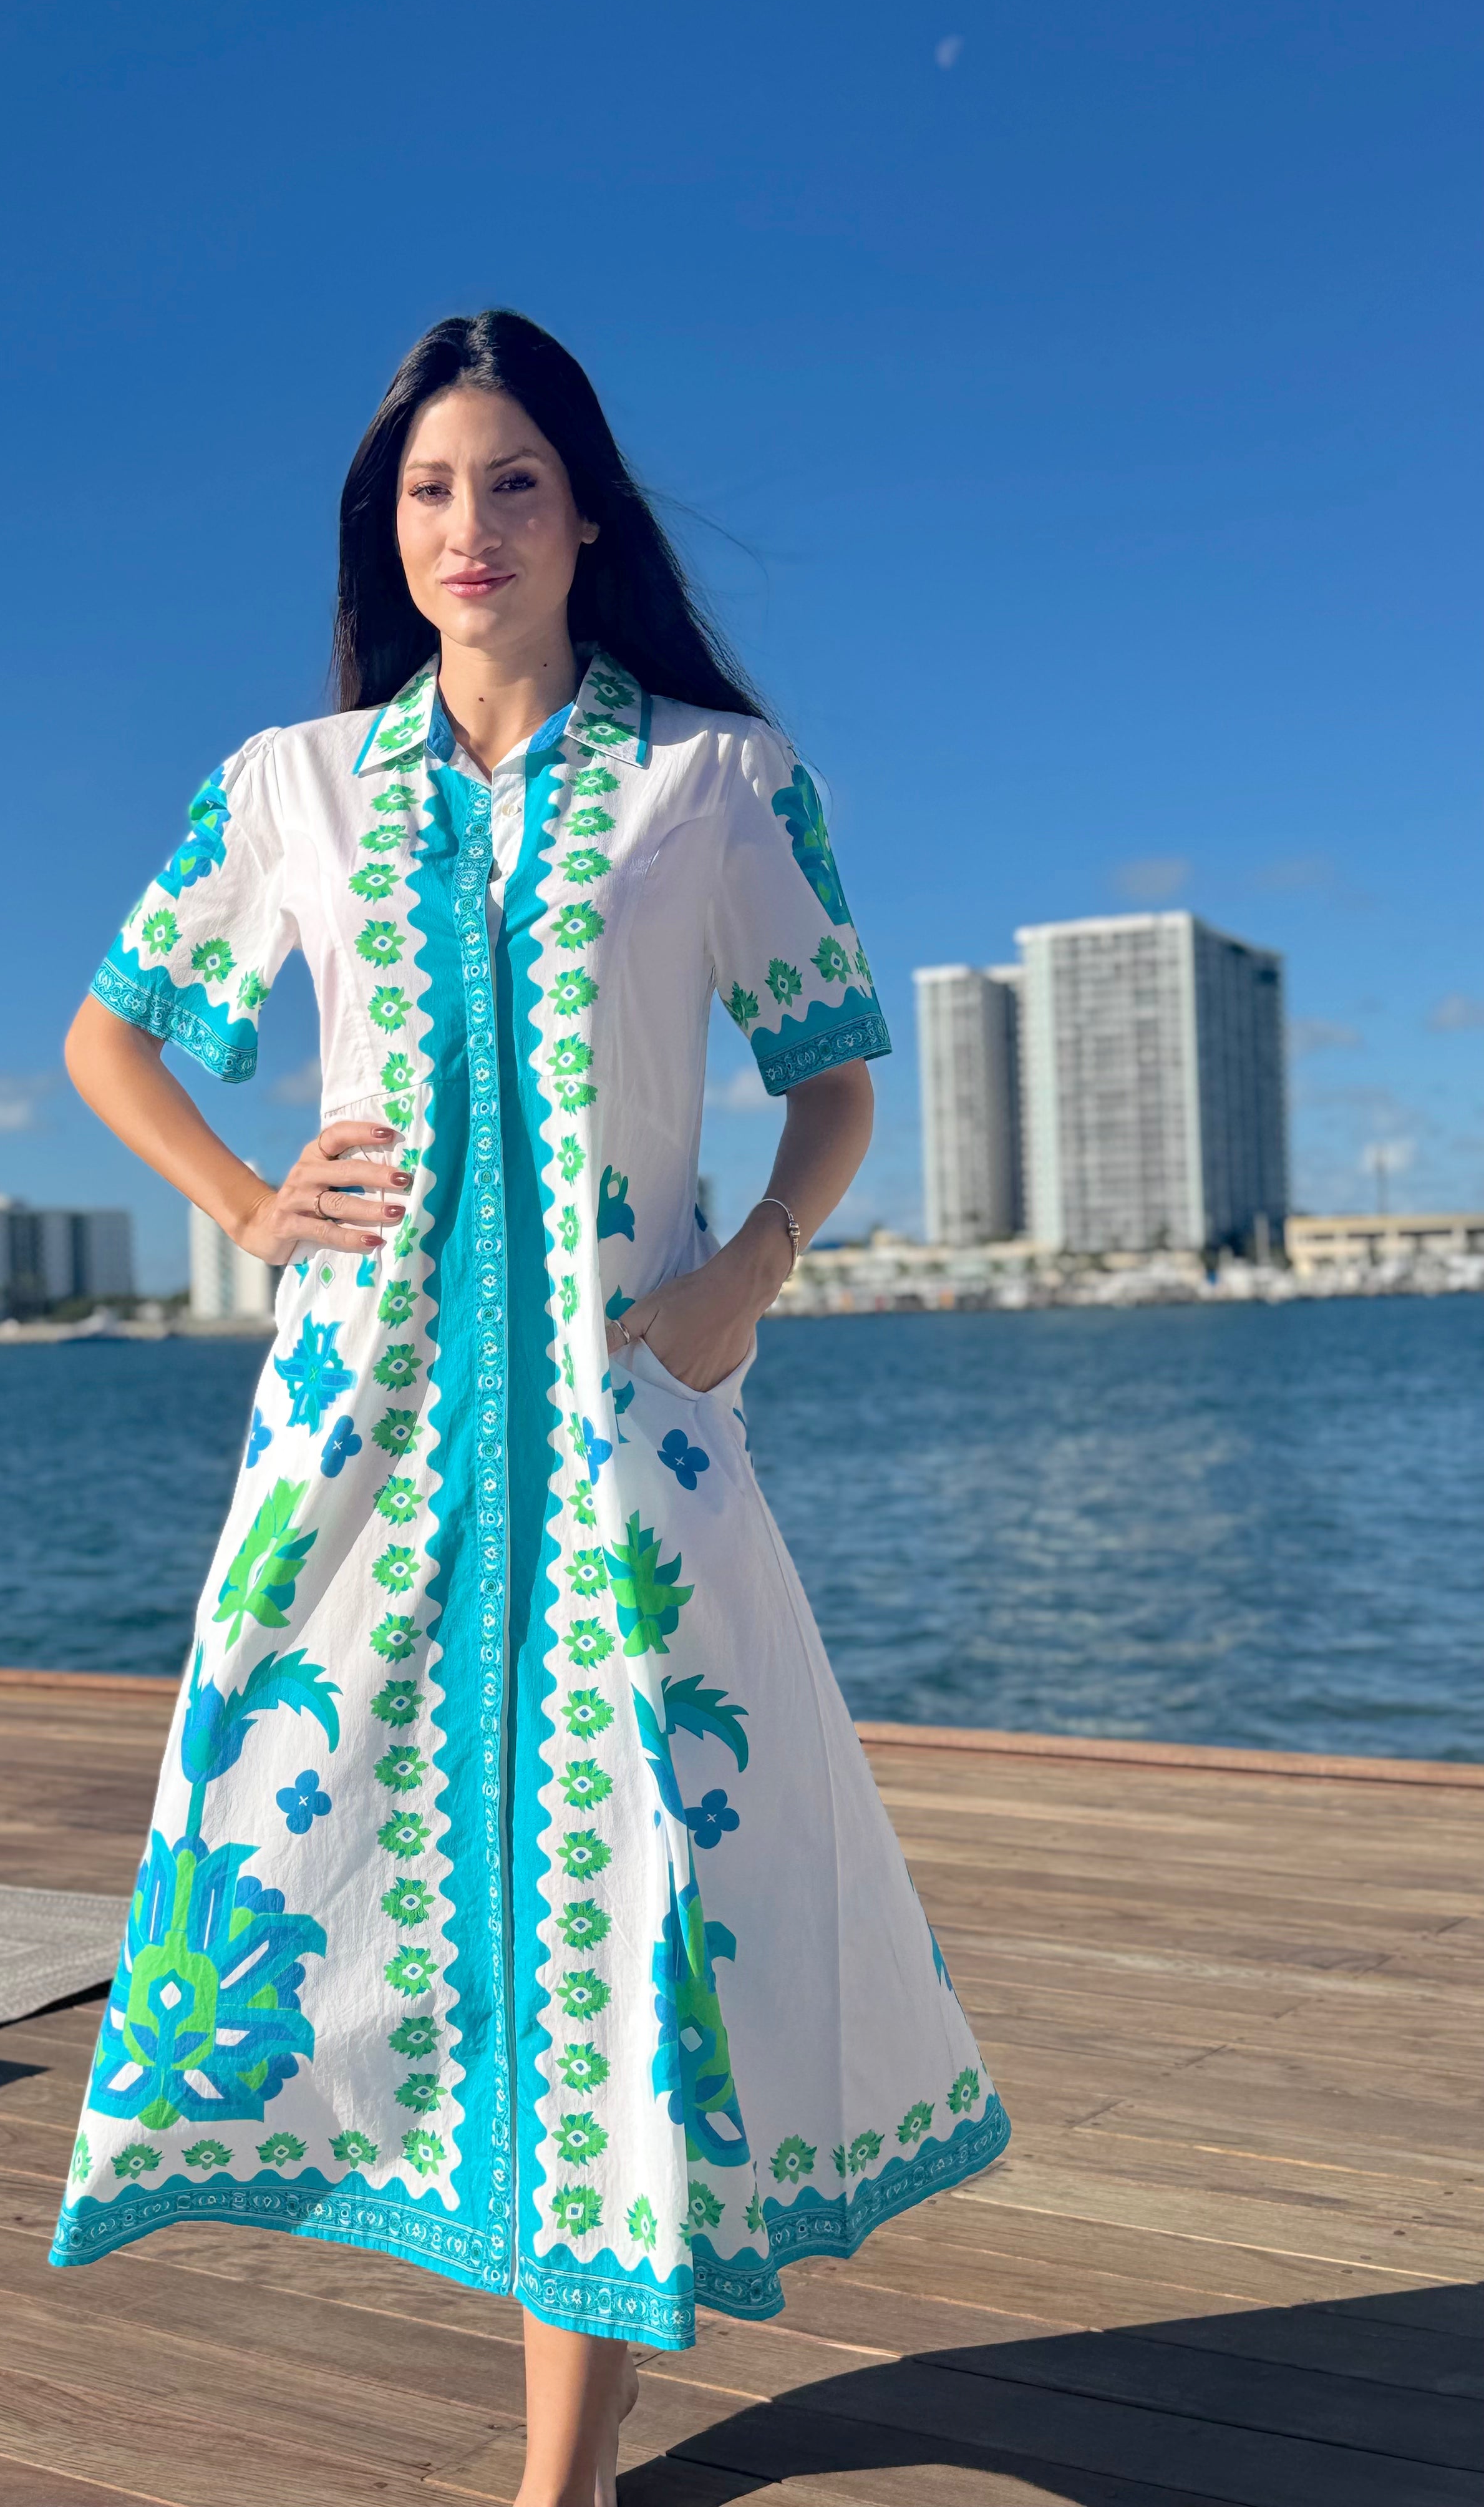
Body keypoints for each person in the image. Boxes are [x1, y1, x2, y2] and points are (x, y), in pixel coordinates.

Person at [51, 309, 1006, 2507]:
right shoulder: (292, 786)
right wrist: (245, 1199)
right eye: (423, 491)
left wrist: (746, 1277)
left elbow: (837, 1077)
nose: (462, 528)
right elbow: (118, 1035)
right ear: (385, 535)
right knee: (351, 1885)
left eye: (505, 484)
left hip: (620, 1442)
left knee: (616, 1908)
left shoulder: (718, 785)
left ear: (586, 515)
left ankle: (556, 2464)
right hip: (353, 1451)